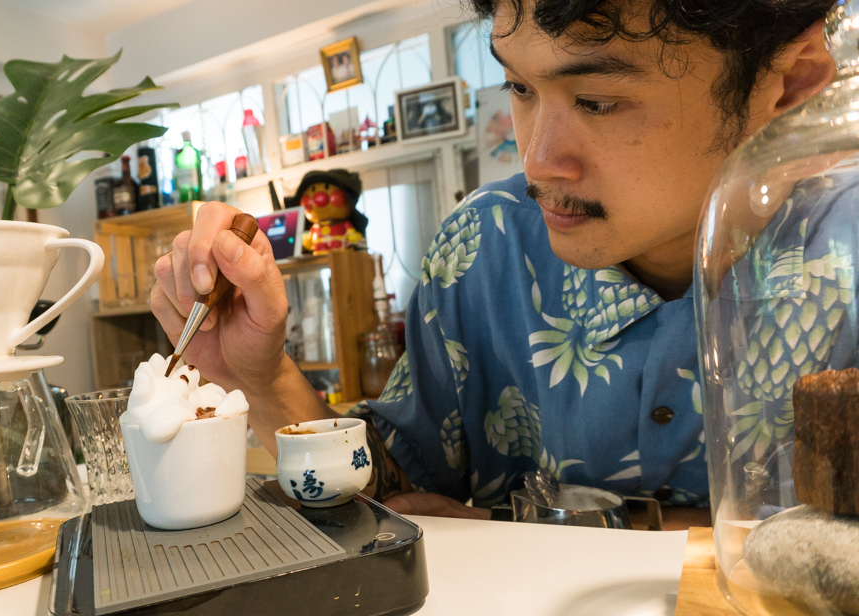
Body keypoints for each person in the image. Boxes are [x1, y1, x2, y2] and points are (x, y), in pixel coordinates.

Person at [151, 0, 837, 526]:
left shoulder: (845, 256)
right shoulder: (485, 245)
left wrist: (544, 529)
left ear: (790, 82)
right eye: (519, 87)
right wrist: (262, 376)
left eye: (597, 101)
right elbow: (396, 494)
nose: (537, 160)